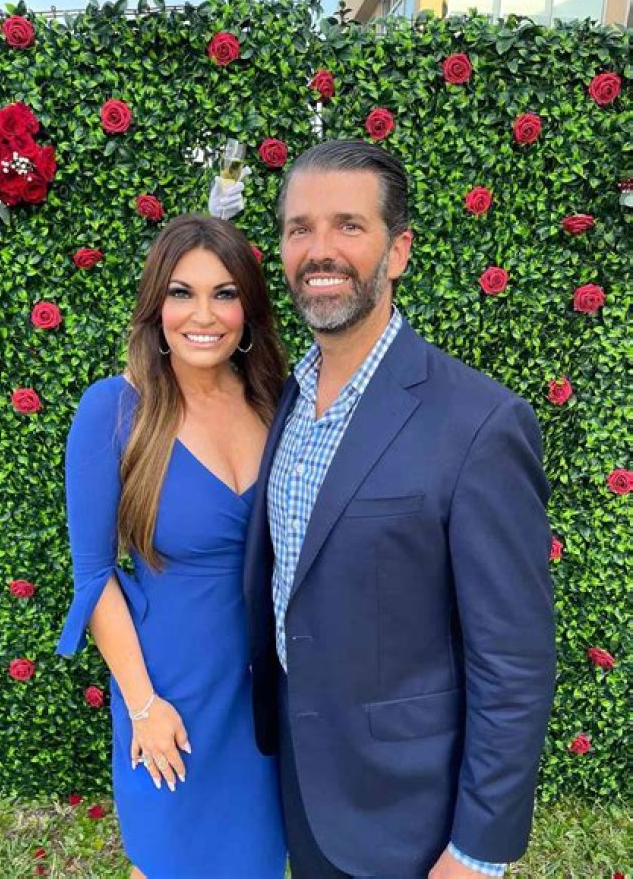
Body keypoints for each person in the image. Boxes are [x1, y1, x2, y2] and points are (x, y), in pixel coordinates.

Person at [238, 141, 557, 879]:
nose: (319, 250)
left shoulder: (479, 423)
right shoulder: (287, 398)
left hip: (410, 813)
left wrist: (478, 850)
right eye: (299, 228)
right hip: (303, 779)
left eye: (349, 225)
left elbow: (514, 660)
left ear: (399, 249)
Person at [55, 215, 288, 879]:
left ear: (248, 308)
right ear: (156, 305)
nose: (203, 315)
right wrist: (143, 705)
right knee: (169, 858)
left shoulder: (275, 400)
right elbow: (94, 575)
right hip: (169, 689)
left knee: (256, 859)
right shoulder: (115, 410)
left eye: (224, 293)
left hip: (266, 689)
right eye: (182, 292)